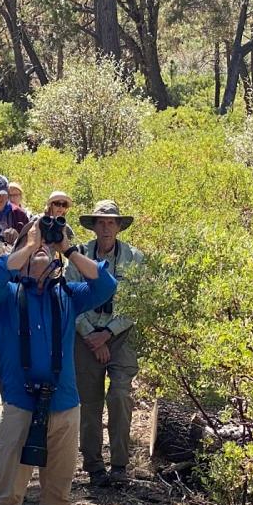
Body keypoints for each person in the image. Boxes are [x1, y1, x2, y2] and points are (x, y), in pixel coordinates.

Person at [0, 218, 116, 505]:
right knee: (10, 492)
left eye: (44, 243)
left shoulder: (67, 295)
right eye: (32, 242)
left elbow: (105, 285)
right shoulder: (6, 296)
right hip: (20, 406)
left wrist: (67, 248)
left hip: (64, 406)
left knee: (58, 492)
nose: (40, 246)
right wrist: (29, 244)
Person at [64, 200, 145, 488]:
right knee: (89, 402)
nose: (106, 227)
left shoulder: (135, 257)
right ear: (94, 226)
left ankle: (120, 465)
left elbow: (138, 303)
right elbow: (68, 298)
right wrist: (91, 336)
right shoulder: (79, 255)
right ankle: (94, 467)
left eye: (111, 222)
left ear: (119, 226)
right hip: (85, 336)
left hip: (120, 335)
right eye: (101, 222)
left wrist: (107, 334)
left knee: (120, 395)